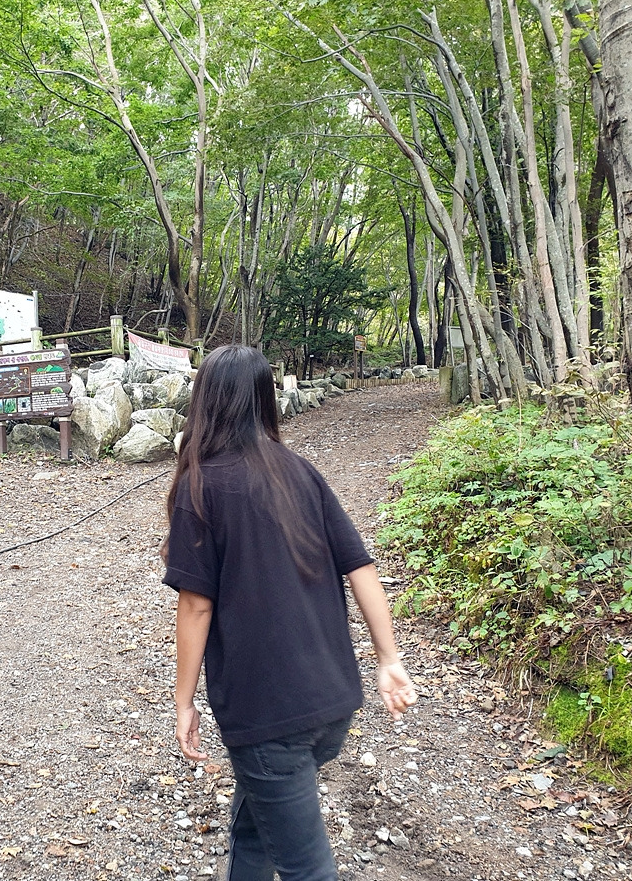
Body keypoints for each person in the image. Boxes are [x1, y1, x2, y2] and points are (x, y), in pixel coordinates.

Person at [161, 345, 418, 881]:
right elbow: (361, 566)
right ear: (265, 399)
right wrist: (388, 659)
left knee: (307, 868)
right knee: (256, 826)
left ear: (205, 400)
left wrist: (183, 702)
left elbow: (196, 604)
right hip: (332, 702)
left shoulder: (201, 485)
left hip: (267, 716)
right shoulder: (300, 472)